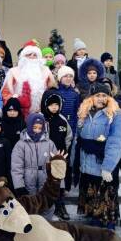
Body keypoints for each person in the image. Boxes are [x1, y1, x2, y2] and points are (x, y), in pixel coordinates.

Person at [71, 83, 121, 230]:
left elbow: (115, 142)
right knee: (93, 216)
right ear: (91, 97)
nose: (101, 98)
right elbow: (78, 141)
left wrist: (108, 167)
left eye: (104, 95)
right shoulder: (84, 113)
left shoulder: (115, 115)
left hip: (104, 170)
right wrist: (74, 164)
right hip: (88, 171)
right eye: (98, 95)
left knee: (106, 215)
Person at [11, 113, 58, 205]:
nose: (37, 131)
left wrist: (58, 185)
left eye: (40, 128)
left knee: (46, 204)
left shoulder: (49, 144)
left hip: (45, 180)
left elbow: (56, 165)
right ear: (29, 126)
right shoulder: (21, 144)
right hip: (28, 180)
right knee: (29, 204)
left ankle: (45, 219)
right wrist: (19, 186)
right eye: (34, 127)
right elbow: (16, 168)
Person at [40, 90, 73, 221]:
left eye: (56, 105)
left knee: (60, 183)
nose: (54, 107)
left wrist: (65, 150)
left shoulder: (62, 120)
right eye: (51, 105)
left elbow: (68, 136)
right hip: (45, 156)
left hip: (60, 157)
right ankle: (45, 205)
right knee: (46, 182)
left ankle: (60, 206)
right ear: (46, 105)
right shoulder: (42, 119)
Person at [1, 44, 55, 119]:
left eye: (34, 55)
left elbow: (51, 90)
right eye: (28, 54)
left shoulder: (46, 72)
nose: (32, 57)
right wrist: (14, 100)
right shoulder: (13, 72)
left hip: (40, 114)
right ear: (23, 57)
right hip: (19, 114)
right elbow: (5, 93)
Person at [56, 66, 80, 135]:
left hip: (71, 124)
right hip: (58, 124)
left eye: (71, 76)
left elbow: (76, 111)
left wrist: (75, 125)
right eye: (65, 76)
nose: (68, 78)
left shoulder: (75, 93)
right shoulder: (55, 92)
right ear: (60, 78)